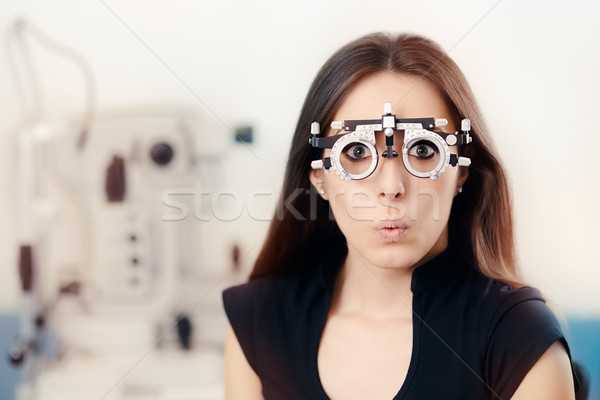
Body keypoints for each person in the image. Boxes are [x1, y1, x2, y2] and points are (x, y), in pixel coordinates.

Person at [222, 32, 581, 399]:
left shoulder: (519, 337)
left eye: (424, 149)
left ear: (461, 172)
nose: (391, 186)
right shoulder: (258, 322)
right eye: (357, 151)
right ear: (319, 177)